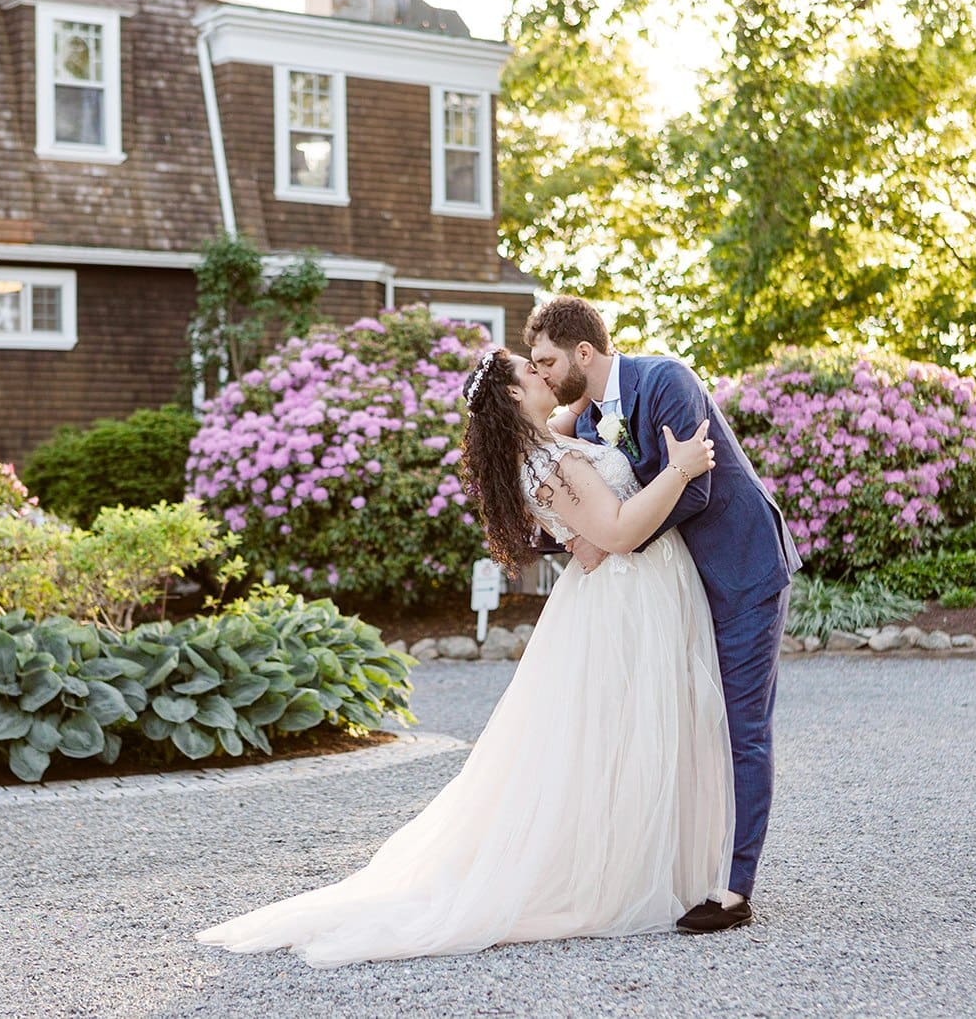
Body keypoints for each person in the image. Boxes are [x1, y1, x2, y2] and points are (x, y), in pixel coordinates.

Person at [196, 346, 736, 968]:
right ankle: (618, 872)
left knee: (623, 734)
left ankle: (650, 857)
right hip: (626, 599)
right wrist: (680, 469)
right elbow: (615, 533)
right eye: (532, 371)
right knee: (622, 732)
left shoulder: (545, 443)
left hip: (629, 592)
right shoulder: (551, 463)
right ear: (512, 395)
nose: (543, 375)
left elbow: (581, 425)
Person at [524, 296, 801, 933]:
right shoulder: (591, 422)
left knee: (740, 724)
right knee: (687, 721)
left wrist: (615, 537)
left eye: (546, 361)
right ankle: (679, 863)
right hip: (680, 587)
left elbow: (695, 488)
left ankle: (734, 889)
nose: (540, 375)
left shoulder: (668, 380)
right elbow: (591, 487)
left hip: (741, 568)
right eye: (533, 366)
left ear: (584, 354)